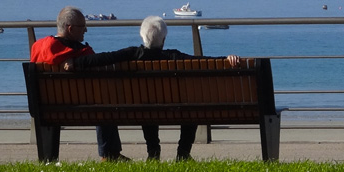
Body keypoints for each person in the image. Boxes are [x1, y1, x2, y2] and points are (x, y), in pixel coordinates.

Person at [64, 15, 242, 161]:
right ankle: (183, 153)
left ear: (142, 36)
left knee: (146, 102)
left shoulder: (131, 54)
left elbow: (102, 58)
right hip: (177, 111)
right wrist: (227, 59)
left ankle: (153, 153)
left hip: (140, 110)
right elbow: (205, 62)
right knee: (191, 108)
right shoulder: (174, 56)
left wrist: (76, 62)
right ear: (163, 39)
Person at [30, 6, 129, 161]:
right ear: (70, 29)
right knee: (105, 103)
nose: (86, 31)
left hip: (46, 108)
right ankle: (110, 154)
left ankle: (48, 158)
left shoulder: (38, 48)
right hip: (82, 108)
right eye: (82, 27)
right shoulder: (80, 53)